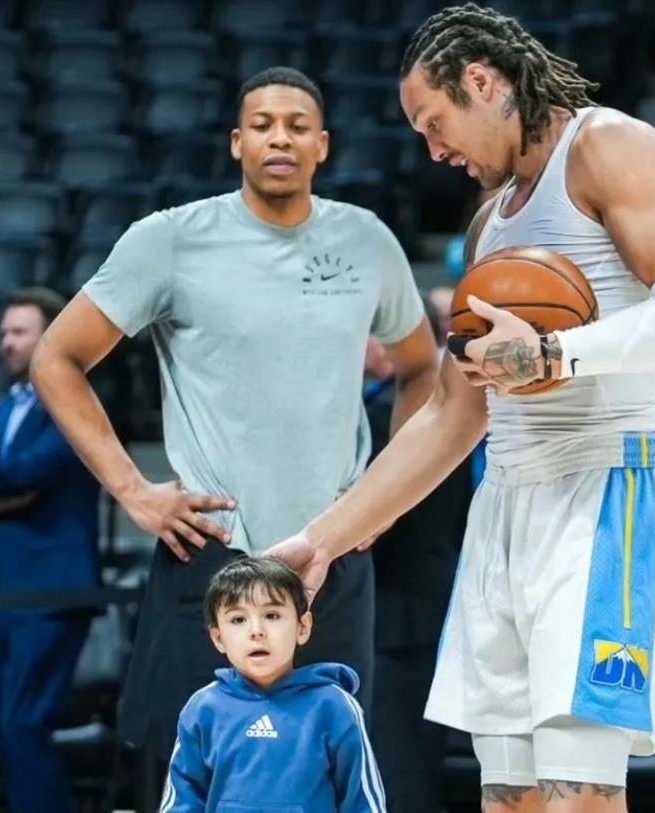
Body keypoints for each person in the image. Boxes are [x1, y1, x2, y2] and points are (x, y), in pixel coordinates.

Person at [269, 5, 655, 810]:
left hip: (604, 492)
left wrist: (553, 353)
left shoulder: (608, 146)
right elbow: (451, 416)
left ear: (480, 82)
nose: (433, 150)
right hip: (503, 506)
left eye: (434, 124)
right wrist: (322, 540)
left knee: (579, 790)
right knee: (509, 796)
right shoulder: (488, 224)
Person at [29, 66, 438, 803]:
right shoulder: (169, 240)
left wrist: (385, 495)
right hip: (211, 554)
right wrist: (132, 490)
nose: (279, 138)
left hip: (333, 559)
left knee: (331, 783)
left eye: (296, 126)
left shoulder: (366, 240)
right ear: (236, 142)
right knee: (187, 779)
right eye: (262, 125)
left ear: (322, 145)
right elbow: (55, 358)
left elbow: (421, 370)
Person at [0, 287, 100, 813]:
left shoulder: (74, 399)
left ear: (51, 336)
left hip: (52, 589)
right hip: (1, 592)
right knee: (7, 726)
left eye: (19, 332)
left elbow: (34, 470)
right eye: (3, 333)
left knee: (24, 723)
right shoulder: (2, 409)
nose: (6, 343)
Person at [161, 556, 385, 812]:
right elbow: (182, 799)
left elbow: (363, 801)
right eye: (238, 619)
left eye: (271, 615)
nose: (256, 631)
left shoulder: (334, 706)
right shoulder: (202, 708)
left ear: (302, 627)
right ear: (218, 638)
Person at [364, 298, 472, 812]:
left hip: (396, 617)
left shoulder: (391, 417)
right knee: (410, 768)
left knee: (396, 774)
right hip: (428, 610)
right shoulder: (448, 411)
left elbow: (370, 522)